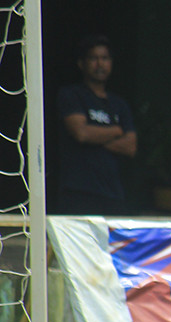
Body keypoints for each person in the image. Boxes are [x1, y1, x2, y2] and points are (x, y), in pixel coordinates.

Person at [56, 34, 137, 216]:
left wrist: (96, 138)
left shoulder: (119, 104)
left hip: (112, 194)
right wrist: (116, 131)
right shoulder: (71, 95)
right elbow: (81, 133)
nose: (100, 64)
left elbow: (130, 147)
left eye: (105, 58)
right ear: (81, 63)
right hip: (78, 191)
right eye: (93, 58)